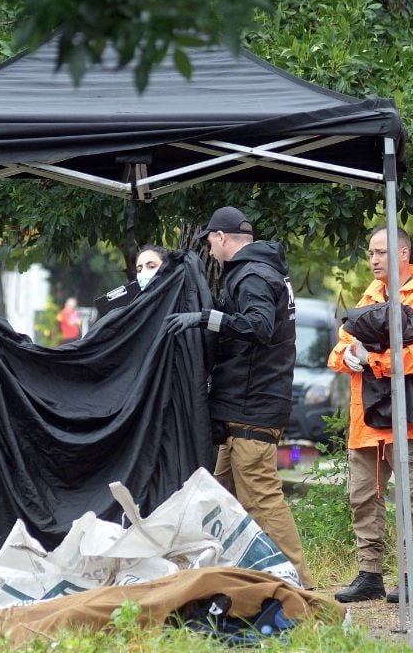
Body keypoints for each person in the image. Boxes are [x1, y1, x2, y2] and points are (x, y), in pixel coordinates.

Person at [163, 206, 312, 588]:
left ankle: (303, 584)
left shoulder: (253, 275)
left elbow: (259, 327)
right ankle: (209, 580)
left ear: (221, 238)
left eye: (210, 242)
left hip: (253, 408)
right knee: (216, 499)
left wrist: (204, 318)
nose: (210, 252)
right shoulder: (263, 270)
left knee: (262, 498)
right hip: (245, 406)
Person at [328, 226, 413, 604]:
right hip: (365, 419)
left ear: (402, 254)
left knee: (411, 499)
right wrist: (348, 358)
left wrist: (375, 362)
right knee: (363, 497)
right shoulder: (368, 295)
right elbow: (339, 352)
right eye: (370, 253)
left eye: (381, 252)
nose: (374, 259)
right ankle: (369, 575)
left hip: (406, 419)